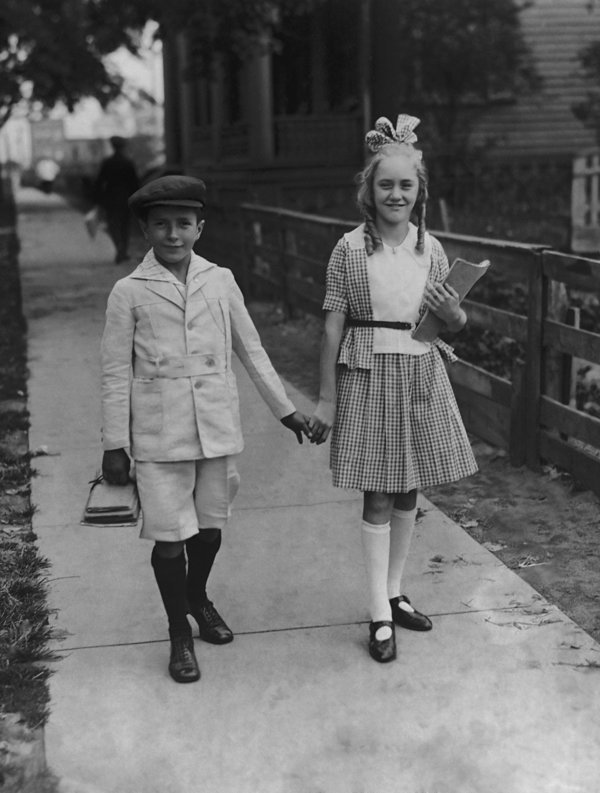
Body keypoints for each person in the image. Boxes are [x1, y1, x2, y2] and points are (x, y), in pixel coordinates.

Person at [100, 175, 310, 683]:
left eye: (184, 224)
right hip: (158, 435)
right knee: (170, 537)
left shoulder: (221, 280)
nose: (173, 234)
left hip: (215, 427)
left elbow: (251, 348)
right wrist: (114, 444)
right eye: (161, 225)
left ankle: (198, 597)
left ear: (200, 227)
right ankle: (178, 630)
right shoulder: (129, 292)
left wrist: (285, 410)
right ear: (146, 230)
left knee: (210, 527)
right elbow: (113, 372)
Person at [308, 114, 478, 664]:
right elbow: (333, 325)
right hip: (368, 373)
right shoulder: (350, 249)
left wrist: (455, 315)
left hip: (419, 373)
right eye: (386, 184)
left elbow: (454, 322)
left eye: (406, 185)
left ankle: (395, 590)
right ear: (369, 190)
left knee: (409, 490)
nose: (396, 194)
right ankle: (378, 611)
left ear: (419, 191)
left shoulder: (431, 249)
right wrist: (327, 398)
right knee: (377, 492)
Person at [94, 136, 140, 263]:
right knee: (125, 226)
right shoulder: (128, 162)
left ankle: (118, 248)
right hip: (125, 198)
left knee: (113, 225)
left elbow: (99, 182)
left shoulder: (107, 162)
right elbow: (134, 183)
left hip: (110, 198)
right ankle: (123, 251)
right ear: (123, 146)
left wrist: (99, 199)